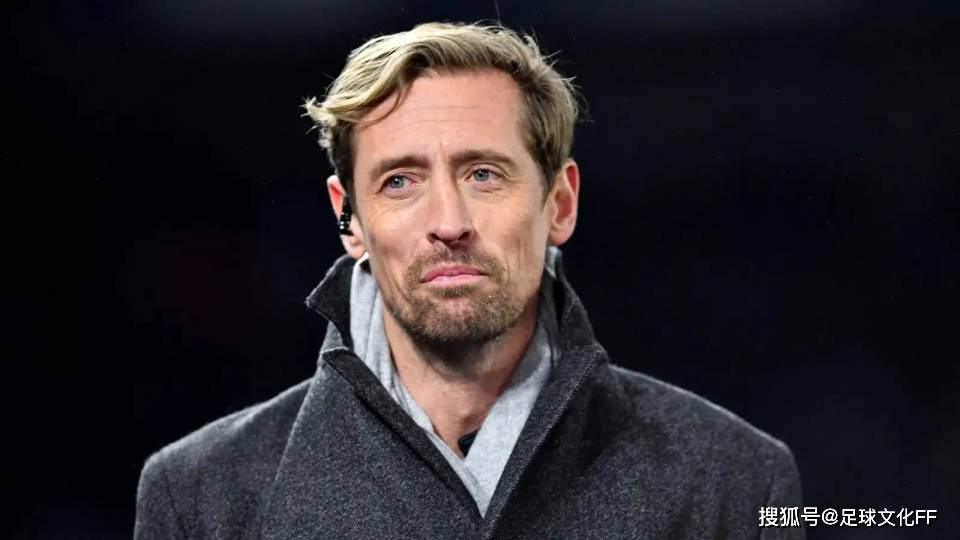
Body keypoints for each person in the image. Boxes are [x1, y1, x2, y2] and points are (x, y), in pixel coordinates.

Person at [135, 22, 803, 539]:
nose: (448, 223)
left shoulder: (735, 482)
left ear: (560, 203)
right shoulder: (202, 496)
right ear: (349, 217)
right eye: (400, 181)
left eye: (484, 174)